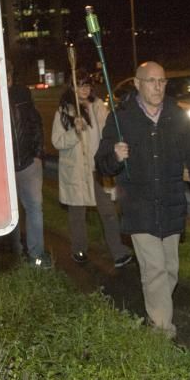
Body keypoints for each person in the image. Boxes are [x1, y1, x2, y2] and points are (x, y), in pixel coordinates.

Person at [95, 61, 190, 339]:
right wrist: (115, 156)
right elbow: (102, 165)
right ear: (137, 83)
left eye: (162, 81)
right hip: (139, 206)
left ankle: (157, 312)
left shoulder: (175, 115)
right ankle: (162, 332)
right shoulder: (121, 118)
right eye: (151, 81)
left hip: (171, 204)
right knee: (155, 270)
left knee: (170, 270)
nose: (158, 87)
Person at [51, 73, 134, 267]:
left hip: (96, 170)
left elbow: (108, 130)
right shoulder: (64, 111)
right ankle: (79, 249)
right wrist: (74, 131)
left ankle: (118, 252)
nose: (84, 89)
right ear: (72, 87)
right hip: (76, 172)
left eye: (87, 85)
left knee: (108, 212)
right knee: (77, 215)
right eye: (80, 86)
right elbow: (57, 141)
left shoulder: (97, 106)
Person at [6, 63, 51, 268]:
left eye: (7, 72)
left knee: (34, 209)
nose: (5, 77)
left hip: (28, 164)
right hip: (4, 168)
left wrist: (38, 154)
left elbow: (35, 122)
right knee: (10, 213)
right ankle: (14, 257)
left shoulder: (22, 94)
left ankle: (37, 255)